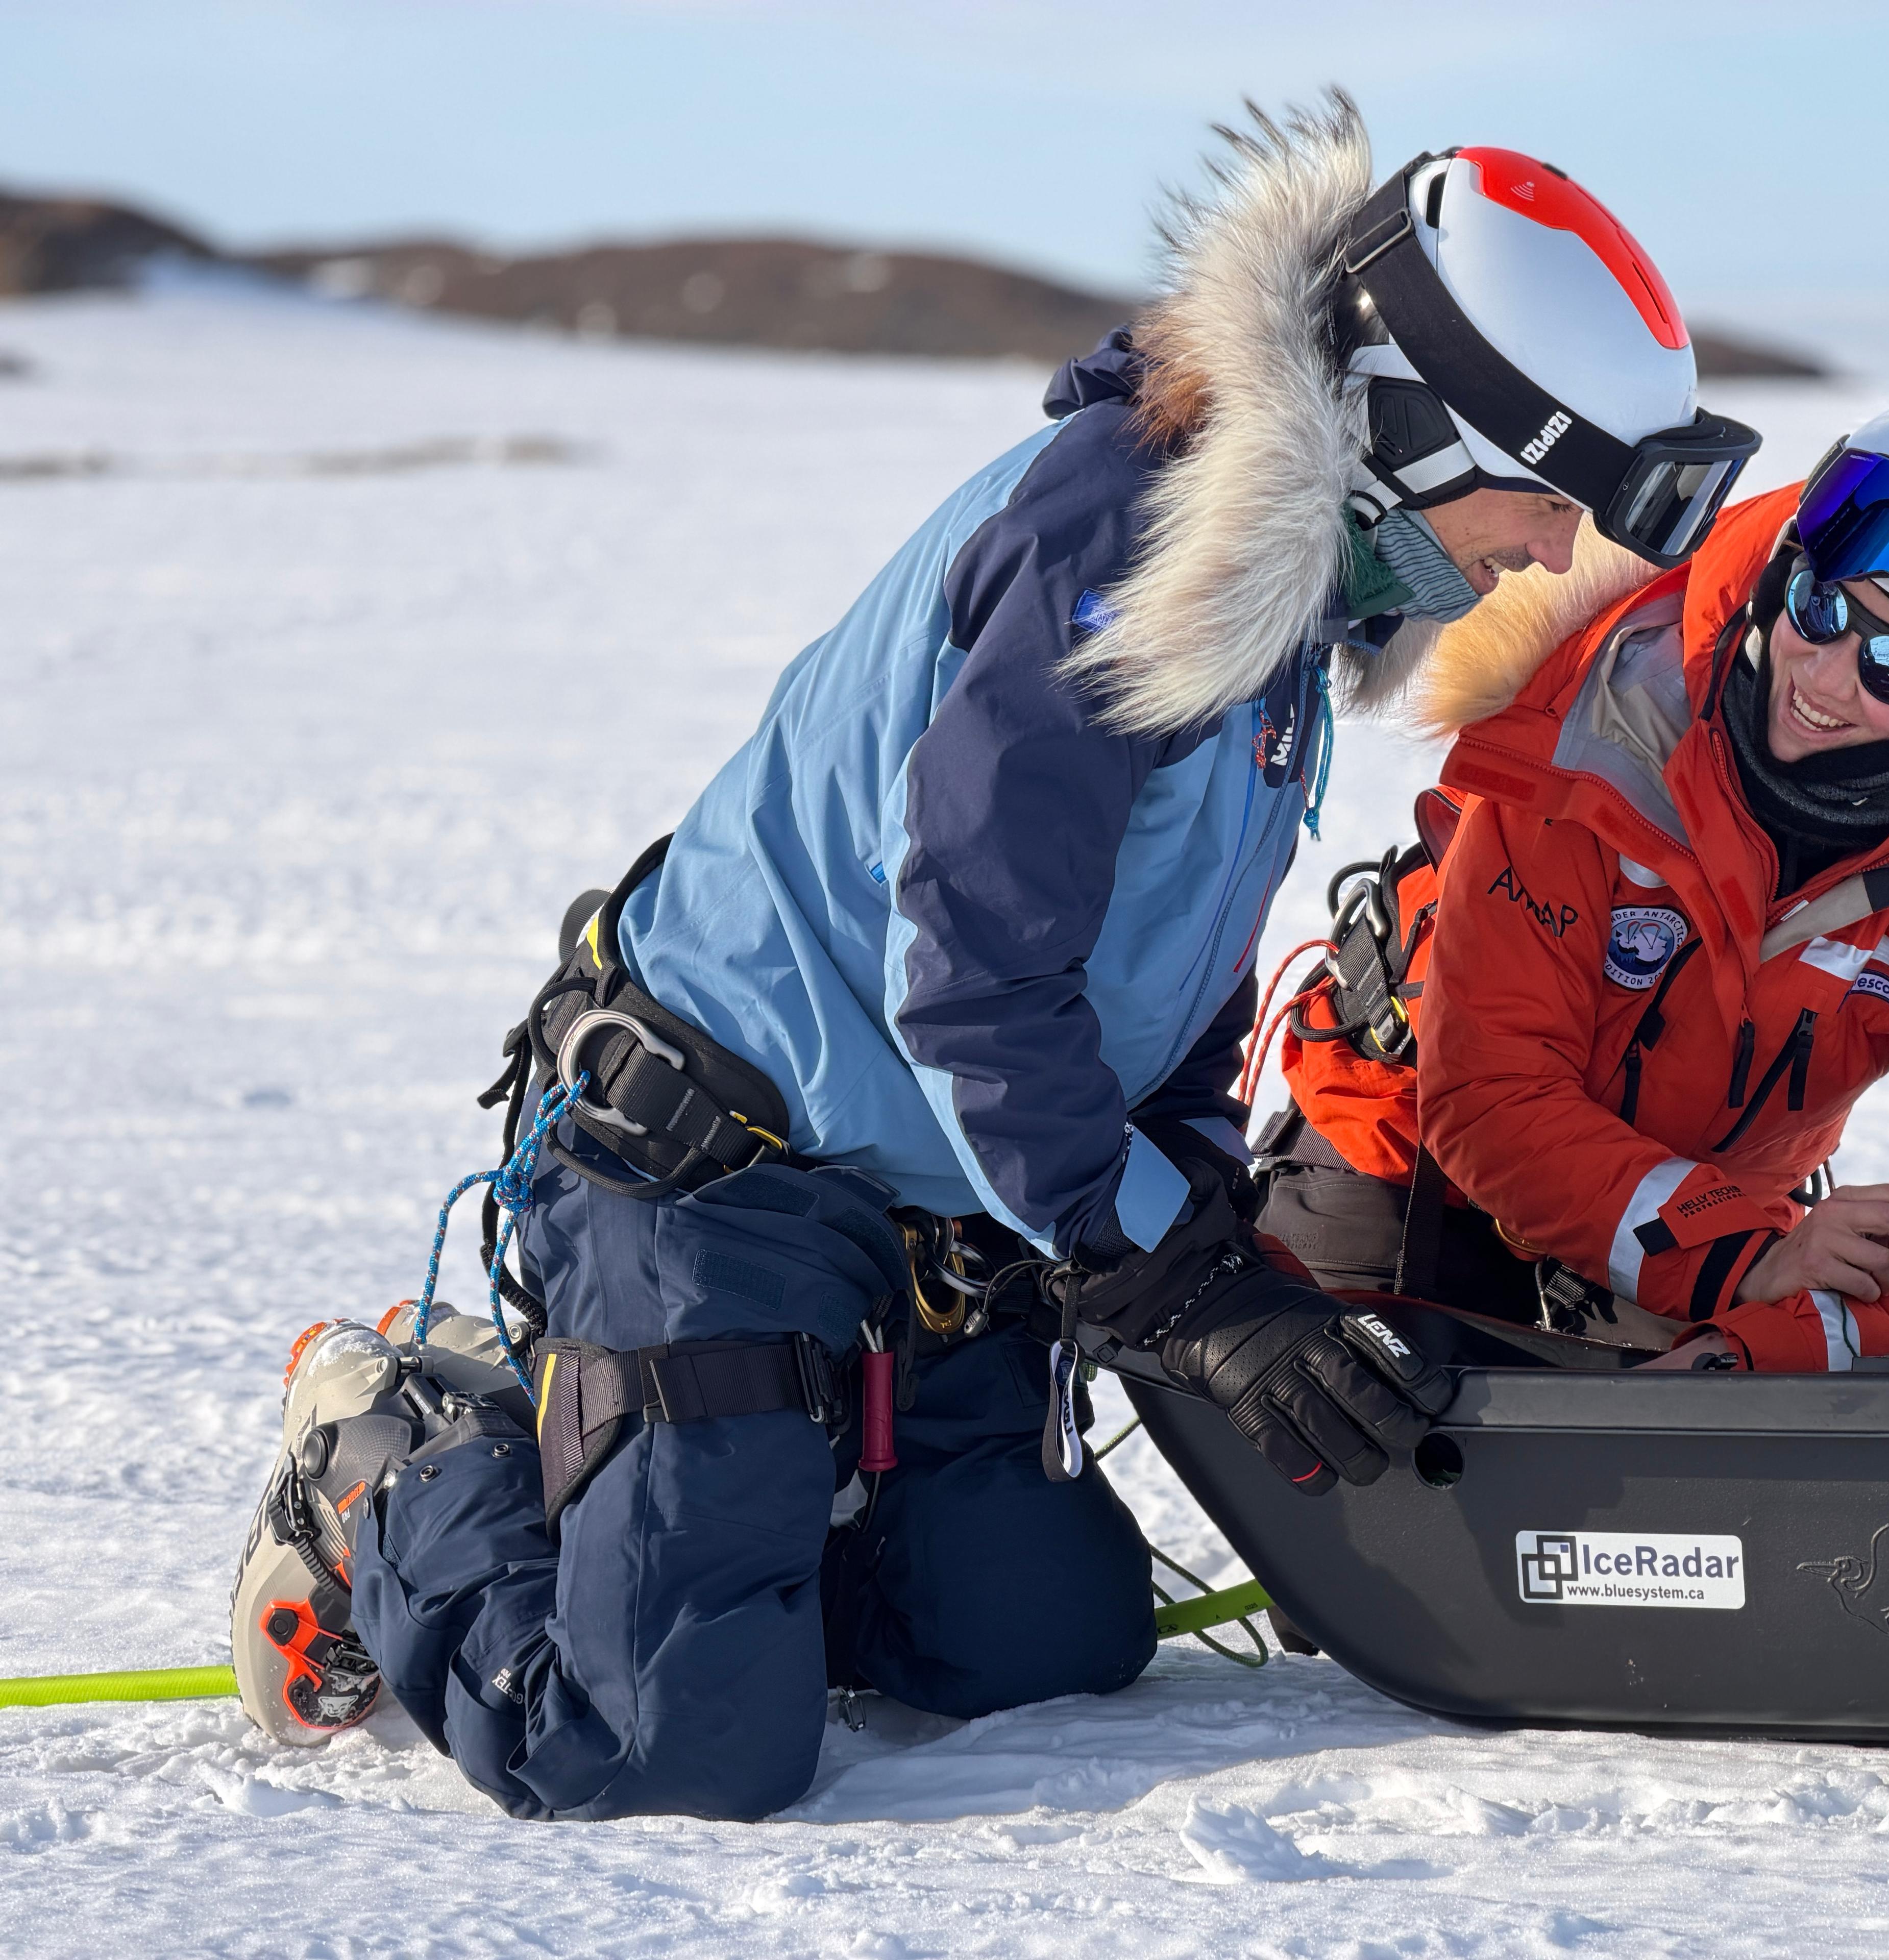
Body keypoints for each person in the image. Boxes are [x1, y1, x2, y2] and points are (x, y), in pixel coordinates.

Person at [227, 100, 1764, 1818]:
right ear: (1408, 425)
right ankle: (388, 1459)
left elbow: (1162, 991)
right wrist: (1171, 1282)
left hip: (940, 1202)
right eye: (1546, 499)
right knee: (669, 1749)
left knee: (1037, 1645)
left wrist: (1198, 1214)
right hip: (721, 1174)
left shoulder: (1272, 600)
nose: (1554, 554)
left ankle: (740, 1509)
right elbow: (970, 981)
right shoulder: (1124, 547)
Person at [1260, 390, 1889, 1367]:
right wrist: (1743, 1265)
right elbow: (1495, 1100)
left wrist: (1772, 1344)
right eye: (1821, 606)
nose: (1827, 677)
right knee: (1357, 1436)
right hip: (1410, 1142)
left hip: (1713, 1211)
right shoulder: (1590, 730)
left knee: (1729, 1472)